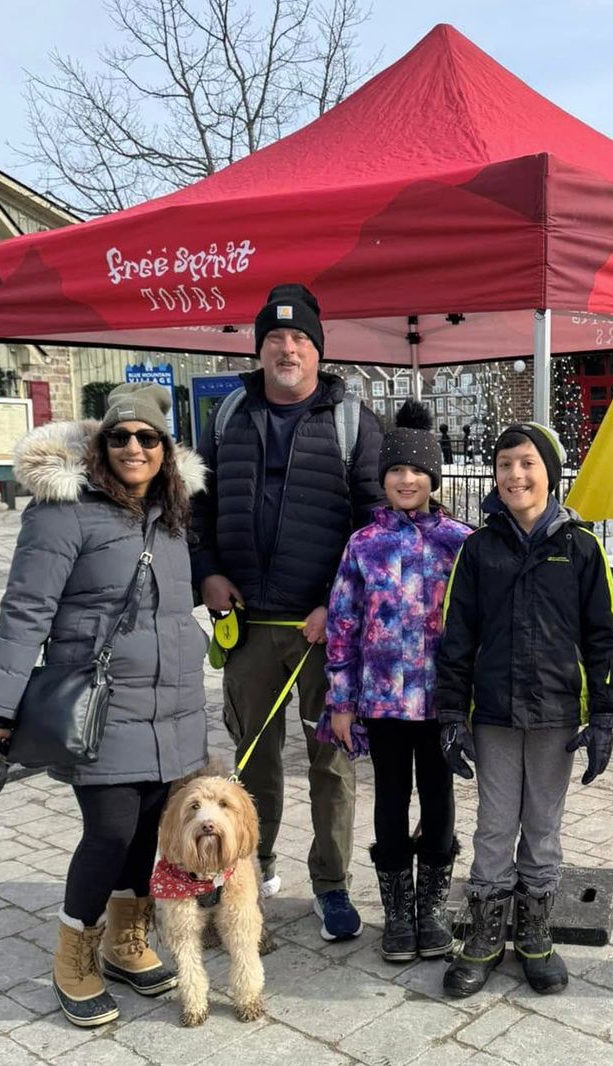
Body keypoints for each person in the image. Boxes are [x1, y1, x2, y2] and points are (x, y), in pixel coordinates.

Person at [0, 384, 209, 1028]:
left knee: (148, 831)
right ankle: (75, 954)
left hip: (172, 708)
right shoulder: (60, 514)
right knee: (110, 833)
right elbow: (24, 614)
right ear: (99, 445)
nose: (133, 448)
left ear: (165, 452)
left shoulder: (173, 514)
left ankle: (127, 942)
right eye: (119, 437)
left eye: (148, 438)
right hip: (102, 710)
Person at [192, 282, 385, 941]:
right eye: (275, 338)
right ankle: (252, 871)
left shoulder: (354, 421)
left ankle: (331, 886)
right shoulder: (225, 419)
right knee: (252, 761)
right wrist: (208, 573)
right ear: (259, 349)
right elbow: (197, 512)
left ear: (318, 352)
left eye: (300, 338)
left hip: (323, 633)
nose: (287, 347)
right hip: (247, 628)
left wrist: (340, 605)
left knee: (332, 762)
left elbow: (375, 528)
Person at [435, 422, 613, 998]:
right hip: (492, 714)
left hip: (555, 717)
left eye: (527, 463)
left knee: (542, 829)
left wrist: (605, 717)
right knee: (494, 828)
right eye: (504, 464)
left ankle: (535, 935)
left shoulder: (581, 547)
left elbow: (602, 638)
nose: (515, 475)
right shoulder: (478, 548)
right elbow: (456, 635)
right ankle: (486, 936)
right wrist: (451, 715)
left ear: (549, 470)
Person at [317, 399, 471, 962]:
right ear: (383, 478)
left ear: (433, 477)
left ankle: (431, 909)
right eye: (396, 471)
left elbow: (476, 623)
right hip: (381, 703)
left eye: (417, 471)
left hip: (440, 702)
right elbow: (343, 623)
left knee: (439, 797)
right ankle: (397, 914)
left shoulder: (460, 541)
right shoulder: (364, 544)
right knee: (389, 799)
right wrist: (341, 698)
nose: (406, 480)